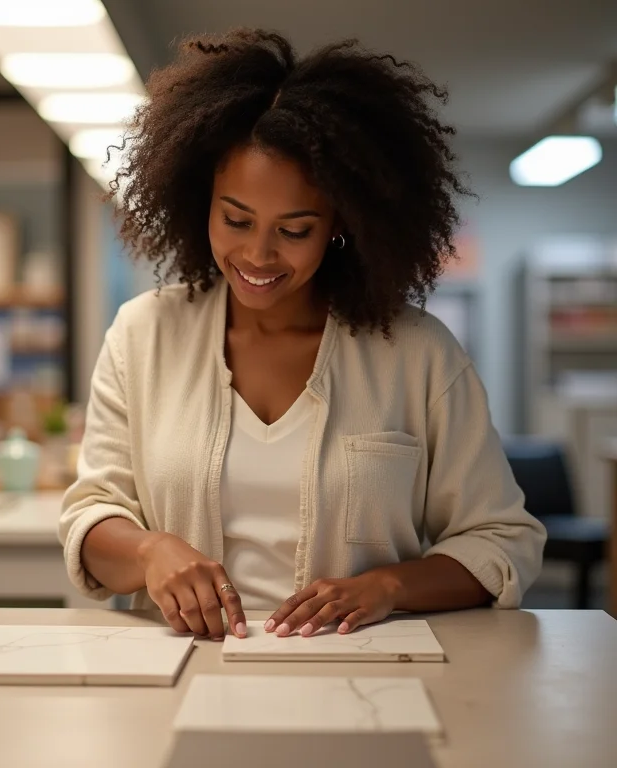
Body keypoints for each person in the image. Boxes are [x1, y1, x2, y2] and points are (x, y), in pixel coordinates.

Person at [59, 28, 546, 642]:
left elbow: (504, 540)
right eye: (236, 219)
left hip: (361, 672)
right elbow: (91, 516)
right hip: (183, 670)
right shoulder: (143, 334)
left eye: (295, 229)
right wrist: (150, 551)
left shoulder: (417, 352)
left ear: (340, 225)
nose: (258, 254)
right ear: (198, 200)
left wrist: (390, 585)